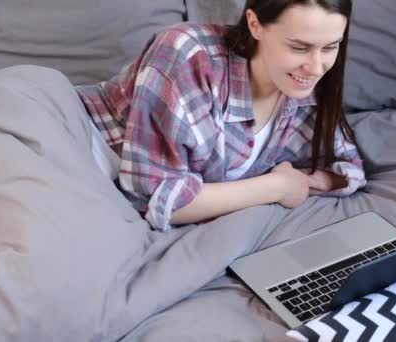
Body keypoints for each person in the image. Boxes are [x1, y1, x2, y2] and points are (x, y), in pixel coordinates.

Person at [76, 0, 366, 232]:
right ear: (255, 24)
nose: (316, 67)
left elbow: (347, 169)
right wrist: (277, 187)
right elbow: (153, 198)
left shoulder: (307, 91)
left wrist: (304, 182)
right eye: (298, 47)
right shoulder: (188, 54)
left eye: (330, 47)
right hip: (74, 137)